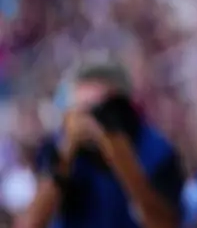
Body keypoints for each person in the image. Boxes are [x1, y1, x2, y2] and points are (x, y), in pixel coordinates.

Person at [17, 60, 184, 228]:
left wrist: (119, 156)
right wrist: (65, 155)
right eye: (82, 110)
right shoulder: (59, 149)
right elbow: (32, 223)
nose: (90, 120)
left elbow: (166, 223)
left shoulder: (154, 147)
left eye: (99, 109)